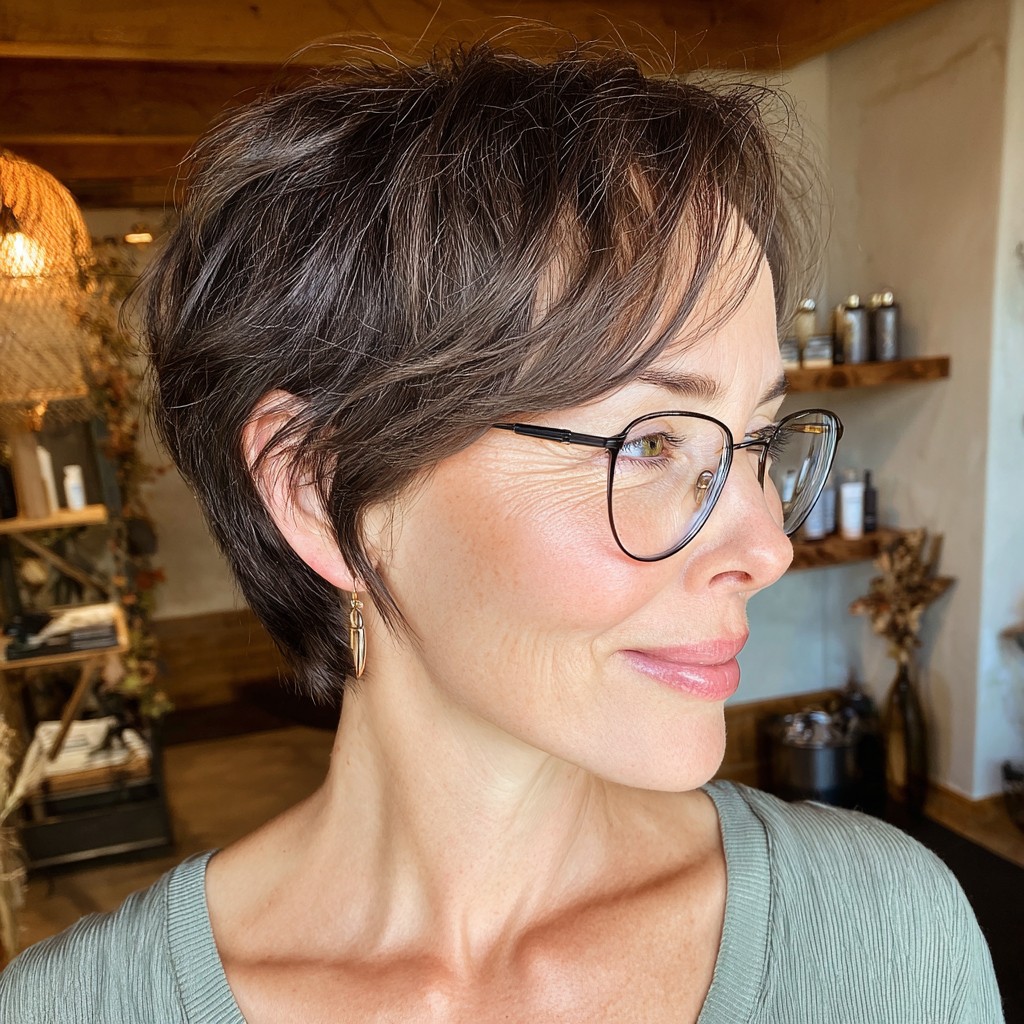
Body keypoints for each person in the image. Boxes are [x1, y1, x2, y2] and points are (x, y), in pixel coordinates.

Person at [0, 40, 1003, 1023]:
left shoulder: (885, 936)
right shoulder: (71, 1009)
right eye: (653, 442)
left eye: (758, 441)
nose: (768, 547)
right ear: (318, 487)